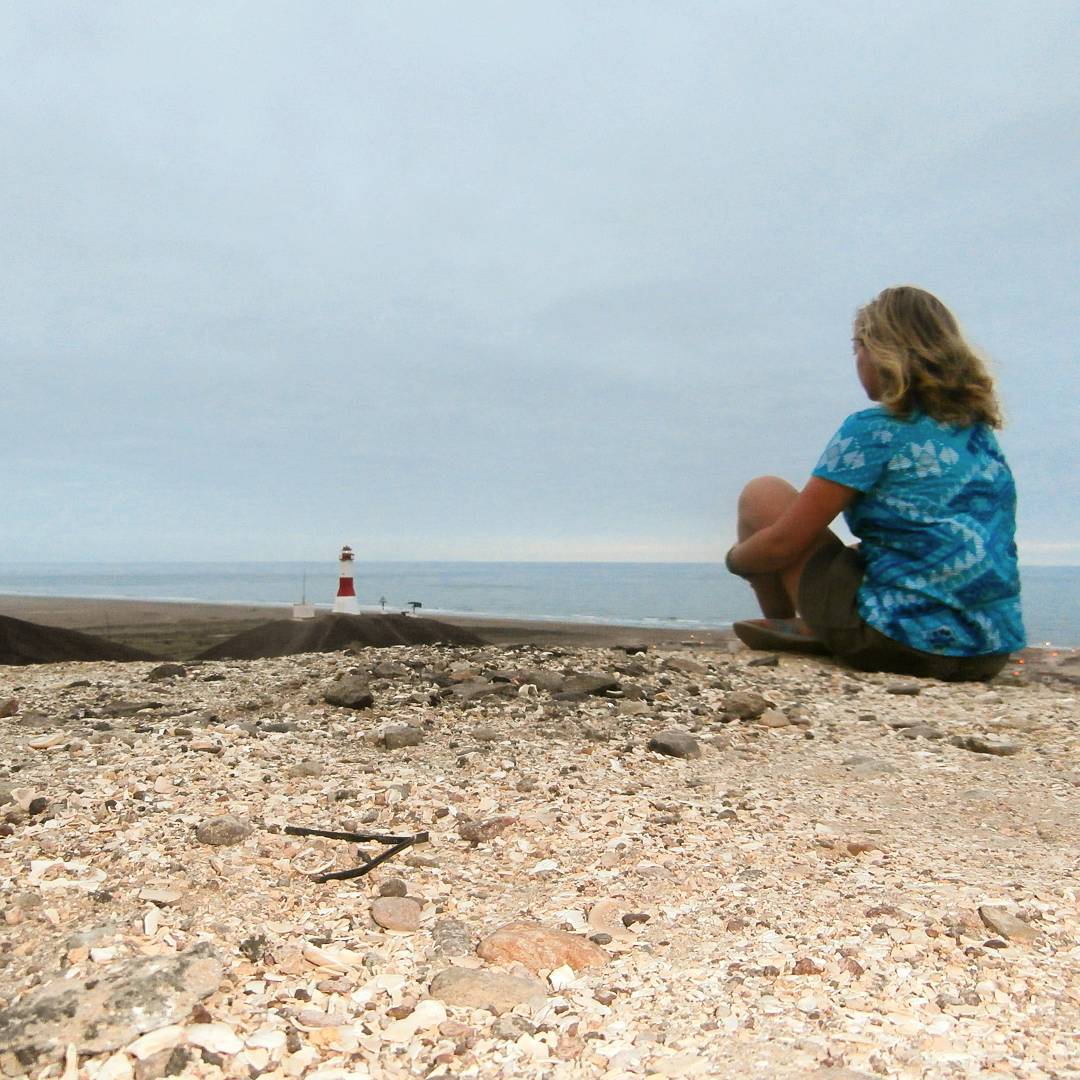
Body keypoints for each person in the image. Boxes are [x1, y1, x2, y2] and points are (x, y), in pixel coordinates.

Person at [725, 285, 1025, 681]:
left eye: (857, 348)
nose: (857, 360)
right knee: (860, 551)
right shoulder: (979, 434)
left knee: (763, 494)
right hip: (989, 651)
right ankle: (817, 625)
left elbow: (785, 542)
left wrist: (737, 560)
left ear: (880, 352)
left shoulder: (875, 430)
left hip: (896, 642)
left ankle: (796, 621)